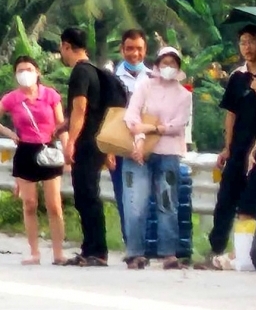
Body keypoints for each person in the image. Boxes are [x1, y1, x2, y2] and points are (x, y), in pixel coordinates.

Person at [199, 25, 256, 268]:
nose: (247, 47)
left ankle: (253, 253)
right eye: (243, 42)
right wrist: (227, 147)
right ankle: (216, 248)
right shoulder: (237, 77)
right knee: (226, 199)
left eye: (251, 41)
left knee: (255, 202)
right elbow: (230, 113)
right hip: (239, 147)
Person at [121, 47, 193, 270]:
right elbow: (131, 117)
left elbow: (178, 124)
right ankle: (135, 252)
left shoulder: (184, 94)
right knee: (136, 203)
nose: (168, 68)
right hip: (138, 151)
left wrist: (152, 127)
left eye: (173, 63)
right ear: (157, 64)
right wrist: (141, 137)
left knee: (167, 203)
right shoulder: (145, 86)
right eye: (165, 63)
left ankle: (168, 253)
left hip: (169, 153)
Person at [0, 56, 68, 265]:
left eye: (28, 69)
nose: (25, 74)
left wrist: (67, 151)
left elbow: (61, 124)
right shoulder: (12, 98)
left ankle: (58, 252)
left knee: (54, 204)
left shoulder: (50, 96)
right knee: (29, 204)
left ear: (38, 72)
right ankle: (34, 252)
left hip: (48, 151)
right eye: (20, 70)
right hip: (25, 151)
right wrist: (9, 133)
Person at [61, 27, 115, 267]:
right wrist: (64, 126)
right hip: (97, 140)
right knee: (86, 194)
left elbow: (81, 109)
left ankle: (97, 250)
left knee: (87, 195)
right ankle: (90, 248)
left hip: (86, 142)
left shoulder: (80, 73)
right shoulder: (94, 71)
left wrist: (70, 141)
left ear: (66, 46)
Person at [111, 29, 150, 245]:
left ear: (146, 50)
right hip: (119, 145)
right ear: (122, 50)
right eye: (129, 49)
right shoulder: (111, 79)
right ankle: (131, 244)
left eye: (139, 49)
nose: (134, 54)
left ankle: (148, 243)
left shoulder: (154, 77)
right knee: (124, 195)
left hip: (148, 145)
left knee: (148, 197)